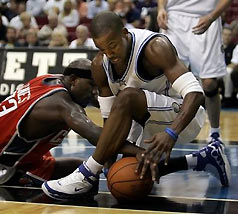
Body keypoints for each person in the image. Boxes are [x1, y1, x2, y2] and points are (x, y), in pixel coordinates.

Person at [42, 11, 231, 200]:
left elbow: (196, 94)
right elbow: (110, 122)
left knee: (127, 96)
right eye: (102, 49)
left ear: (124, 33)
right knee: (131, 174)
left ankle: (86, 174)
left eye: (112, 45)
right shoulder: (100, 65)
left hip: (184, 117)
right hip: (145, 120)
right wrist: (109, 159)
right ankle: (203, 158)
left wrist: (171, 133)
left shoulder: (155, 47)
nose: (109, 54)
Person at [0, 58, 140, 189]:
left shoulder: (50, 80)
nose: (95, 92)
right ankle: (25, 179)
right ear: (73, 80)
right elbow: (95, 134)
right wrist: (140, 152)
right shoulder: (61, 104)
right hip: (5, 164)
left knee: (86, 170)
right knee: (85, 178)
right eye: (92, 85)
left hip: (23, 156)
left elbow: (102, 103)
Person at [157, 0, 232, 142]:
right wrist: (161, 8)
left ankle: (215, 133)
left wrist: (212, 16)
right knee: (163, 79)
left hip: (205, 17)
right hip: (174, 19)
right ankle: (158, 129)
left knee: (209, 84)